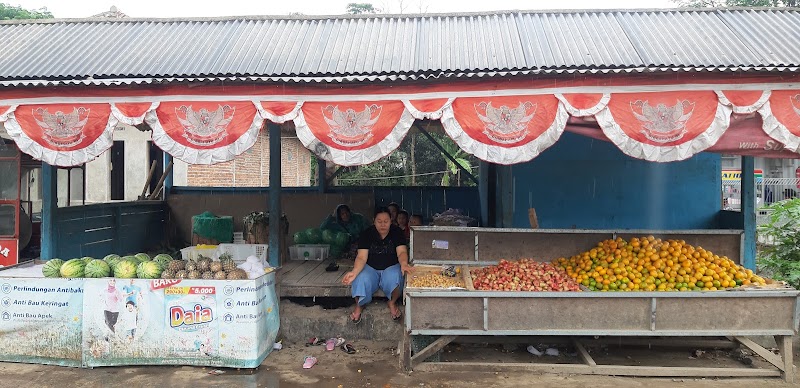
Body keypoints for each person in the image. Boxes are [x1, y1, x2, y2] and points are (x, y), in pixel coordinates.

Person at [342, 207, 413, 323]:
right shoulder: (367, 234)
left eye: (386, 221)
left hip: (391, 267)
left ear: (391, 220)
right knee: (359, 278)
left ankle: (392, 302)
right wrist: (354, 272)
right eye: (379, 221)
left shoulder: (397, 232)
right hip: (371, 268)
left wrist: (404, 264)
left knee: (396, 277)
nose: (382, 225)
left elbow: (402, 252)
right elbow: (361, 257)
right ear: (374, 221)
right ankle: (360, 305)